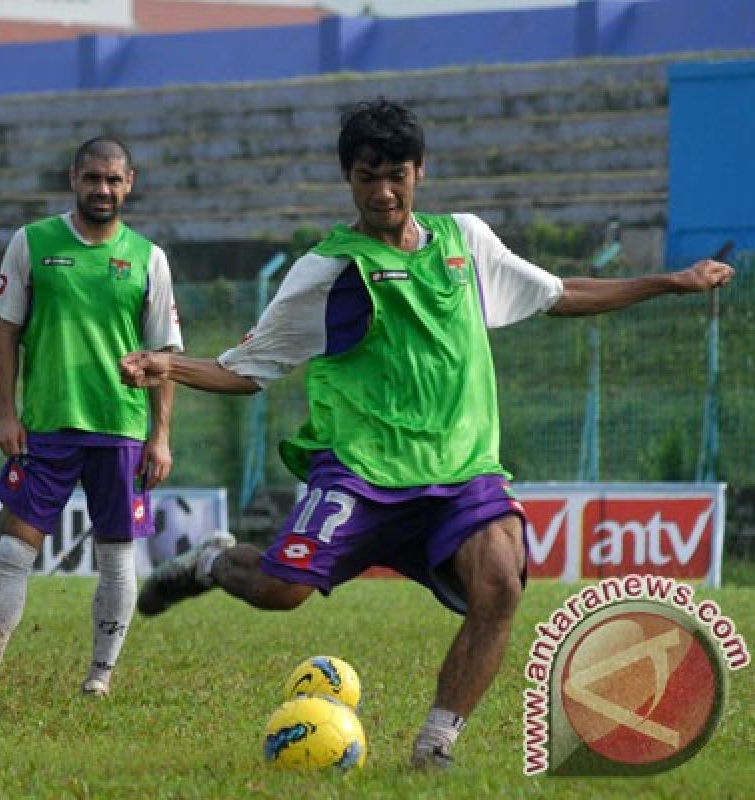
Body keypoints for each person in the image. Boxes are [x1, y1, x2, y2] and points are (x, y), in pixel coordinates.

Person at [119, 99, 734, 767]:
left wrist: (671, 282)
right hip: (362, 470)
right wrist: (166, 364)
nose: (383, 192)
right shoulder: (330, 271)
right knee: (281, 592)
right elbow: (248, 370)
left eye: (397, 175)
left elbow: (558, 293)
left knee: (501, 584)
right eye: (366, 177)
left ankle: (436, 743)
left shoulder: (464, 241)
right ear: (348, 179)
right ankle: (213, 561)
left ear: (421, 171)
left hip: (463, 469)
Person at [0, 136, 183, 700]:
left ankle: (99, 679)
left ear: (130, 182)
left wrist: (160, 436)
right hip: (47, 427)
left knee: (117, 557)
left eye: (113, 179)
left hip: (121, 430)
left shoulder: (149, 258)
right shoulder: (31, 243)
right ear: (73, 179)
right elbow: (5, 332)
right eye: (92, 179)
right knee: (14, 549)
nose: (102, 190)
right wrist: (7, 414)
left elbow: (165, 356)